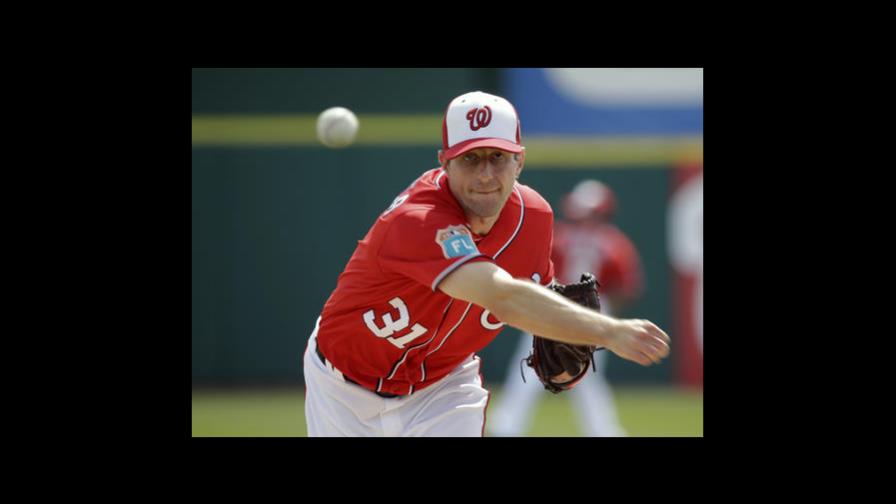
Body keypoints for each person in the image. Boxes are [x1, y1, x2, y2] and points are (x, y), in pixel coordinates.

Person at [302, 91, 669, 437]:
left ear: (519, 161)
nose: (485, 175)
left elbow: (532, 302)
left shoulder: (535, 219)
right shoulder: (417, 219)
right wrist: (609, 331)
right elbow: (502, 296)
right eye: (470, 158)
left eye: (498, 156)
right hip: (342, 387)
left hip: (443, 386)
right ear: (444, 162)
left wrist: (564, 326)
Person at [488, 179, 645, 437]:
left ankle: (508, 424)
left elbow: (535, 274)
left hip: (552, 304)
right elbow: (627, 289)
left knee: (534, 366)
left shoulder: (558, 235)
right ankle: (603, 431)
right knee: (585, 374)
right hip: (588, 309)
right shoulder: (614, 242)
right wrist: (604, 313)